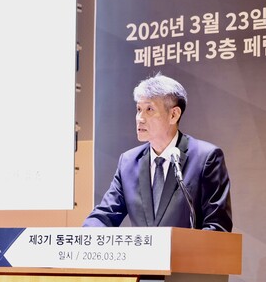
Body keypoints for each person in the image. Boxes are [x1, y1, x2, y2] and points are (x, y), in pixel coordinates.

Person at [83, 72, 232, 231]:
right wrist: (84, 236)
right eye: (138, 109)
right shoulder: (128, 161)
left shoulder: (206, 158)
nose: (140, 118)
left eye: (149, 109)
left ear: (173, 115)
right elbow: (105, 215)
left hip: (185, 248)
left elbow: (217, 226)